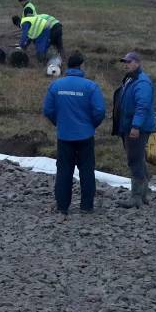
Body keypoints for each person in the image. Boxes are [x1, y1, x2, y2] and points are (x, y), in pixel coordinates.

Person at [42, 51, 107, 215]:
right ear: (81, 66)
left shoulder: (56, 85)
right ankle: (86, 206)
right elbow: (99, 111)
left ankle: (62, 206)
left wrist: (59, 122)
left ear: (66, 66)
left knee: (64, 171)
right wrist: (91, 125)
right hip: (85, 136)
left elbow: (48, 109)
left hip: (64, 136)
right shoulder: (90, 86)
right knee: (86, 171)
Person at [112, 51, 156, 208]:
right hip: (129, 127)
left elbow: (142, 106)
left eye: (129, 62)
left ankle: (136, 197)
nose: (126, 64)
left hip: (136, 128)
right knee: (138, 159)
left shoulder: (141, 82)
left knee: (134, 160)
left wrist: (136, 126)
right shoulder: (131, 80)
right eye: (125, 62)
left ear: (138, 63)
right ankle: (144, 194)